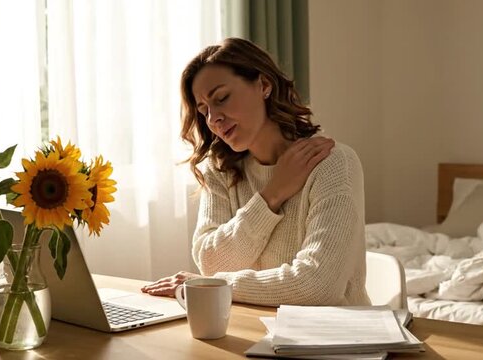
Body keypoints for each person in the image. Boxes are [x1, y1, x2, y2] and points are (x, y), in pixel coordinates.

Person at [141, 38, 370, 307]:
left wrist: (217, 286)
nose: (213, 118)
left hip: (337, 340)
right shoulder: (221, 170)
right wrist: (271, 195)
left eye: (222, 98)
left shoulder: (332, 163)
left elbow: (317, 286)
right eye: (204, 111)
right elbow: (210, 262)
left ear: (263, 86)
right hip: (254, 329)